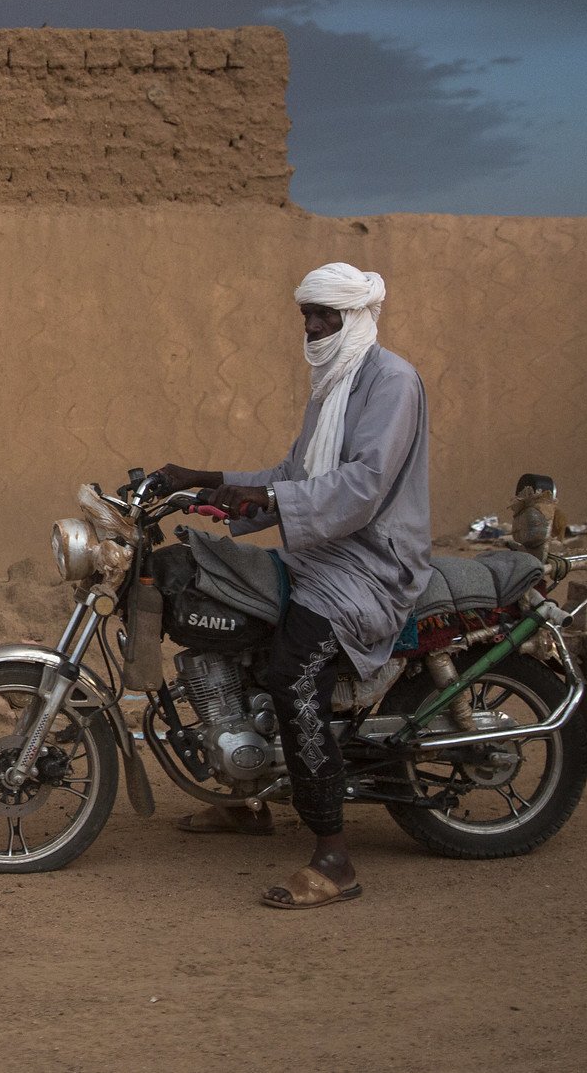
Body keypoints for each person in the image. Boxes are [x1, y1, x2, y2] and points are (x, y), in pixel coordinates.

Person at [154, 261, 431, 910]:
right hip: (321, 552)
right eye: (305, 313)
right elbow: (291, 471)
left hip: (371, 565)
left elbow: (361, 487)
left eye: (324, 314)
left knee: (290, 675)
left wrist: (267, 495)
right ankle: (245, 799)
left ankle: (333, 854)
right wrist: (197, 476)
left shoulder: (391, 382)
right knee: (227, 620)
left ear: (354, 316)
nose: (310, 325)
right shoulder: (332, 383)